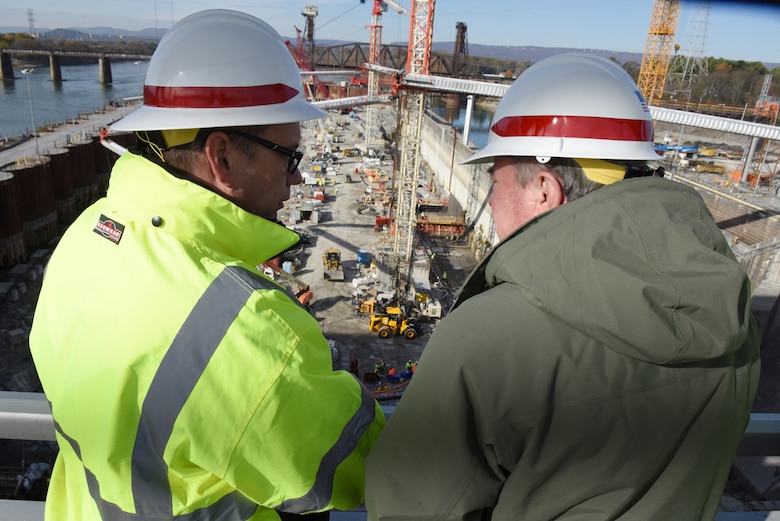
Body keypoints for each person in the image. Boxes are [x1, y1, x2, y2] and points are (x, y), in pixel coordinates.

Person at [365, 53, 761, 520]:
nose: (490, 202)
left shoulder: (488, 339)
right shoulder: (731, 317)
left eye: (495, 182)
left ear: (544, 190)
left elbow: (408, 509)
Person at [30, 9, 385, 521]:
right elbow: (369, 468)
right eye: (289, 156)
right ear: (221, 157)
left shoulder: (85, 238)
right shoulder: (245, 331)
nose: (299, 180)